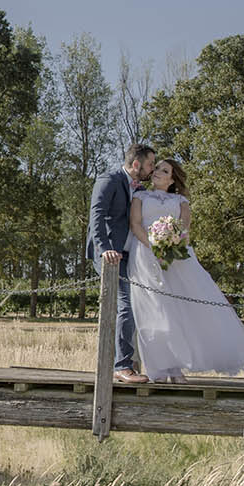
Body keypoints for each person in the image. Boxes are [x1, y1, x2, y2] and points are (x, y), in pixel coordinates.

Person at [126, 158, 244, 382]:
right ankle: (157, 368)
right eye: (157, 168)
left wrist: (169, 245)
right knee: (154, 311)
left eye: (164, 170)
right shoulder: (140, 196)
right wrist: (153, 246)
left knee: (179, 310)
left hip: (175, 258)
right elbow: (136, 224)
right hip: (145, 255)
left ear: (172, 179)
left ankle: (176, 367)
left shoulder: (181, 201)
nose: (158, 172)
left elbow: (184, 228)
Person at [88, 144, 157, 384]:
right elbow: (96, 215)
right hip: (109, 255)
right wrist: (105, 249)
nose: (152, 169)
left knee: (139, 306)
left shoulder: (140, 188)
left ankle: (133, 362)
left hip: (130, 255)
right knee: (126, 305)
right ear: (136, 164)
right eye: (150, 164)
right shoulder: (109, 180)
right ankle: (122, 366)